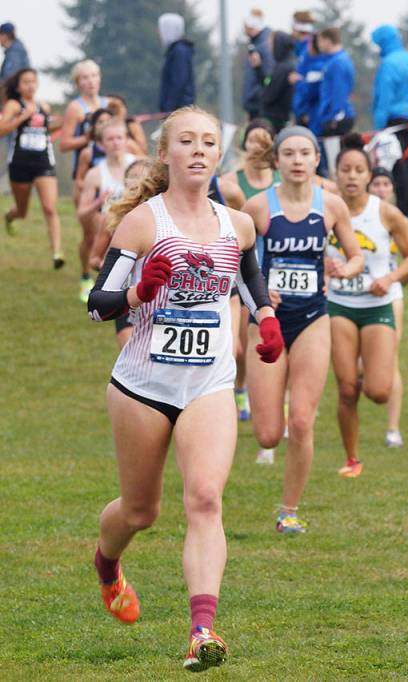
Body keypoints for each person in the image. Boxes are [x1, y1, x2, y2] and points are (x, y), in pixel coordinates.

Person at [85, 105, 283, 672]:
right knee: (141, 511)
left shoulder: (236, 225)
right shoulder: (142, 224)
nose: (198, 149)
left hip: (210, 385)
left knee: (204, 498)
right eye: (187, 141)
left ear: (218, 154)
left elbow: (250, 286)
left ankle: (202, 631)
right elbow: (96, 309)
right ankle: (106, 563)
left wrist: (267, 321)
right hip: (142, 386)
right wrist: (135, 295)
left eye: (208, 142)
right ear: (166, 154)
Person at [241, 125, 363, 532]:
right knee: (267, 435)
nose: (296, 161)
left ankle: (289, 511)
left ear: (315, 160)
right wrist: (259, 293)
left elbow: (356, 254)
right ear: (277, 161)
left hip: (314, 318)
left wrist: (344, 267)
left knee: (304, 421)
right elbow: (237, 262)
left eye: (304, 153)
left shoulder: (331, 206)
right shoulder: (257, 207)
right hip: (268, 322)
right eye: (288, 154)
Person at [327, 135, 408, 477]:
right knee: (347, 388)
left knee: (378, 391)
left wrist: (392, 279)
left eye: (358, 170)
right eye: (345, 170)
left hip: (376, 304)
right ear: (336, 174)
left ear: (369, 175)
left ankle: (369, 365)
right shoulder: (324, 209)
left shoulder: (386, 214)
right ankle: (352, 459)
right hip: (338, 305)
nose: (351, 176)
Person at [220, 120, 281, 425]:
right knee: (241, 343)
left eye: (263, 140)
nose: (258, 146)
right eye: (252, 141)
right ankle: (240, 386)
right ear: (244, 145)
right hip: (241, 263)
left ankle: (275, 397)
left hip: (279, 262)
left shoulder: (284, 180)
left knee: (277, 333)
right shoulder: (231, 180)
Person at [89, 157, 154, 347]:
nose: (138, 182)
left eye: (144, 177)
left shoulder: (165, 216)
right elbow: (94, 258)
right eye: (133, 177)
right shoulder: (112, 215)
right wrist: (106, 266)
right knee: (132, 354)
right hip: (125, 294)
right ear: (124, 183)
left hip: (159, 296)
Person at [1, 68, 62, 267]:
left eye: (33, 81)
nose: (30, 85)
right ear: (18, 86)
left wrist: (62, 123)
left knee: (50, 207)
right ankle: (10, 216)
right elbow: (2, 130)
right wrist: (22, 116)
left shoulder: (43, 106)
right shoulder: (13, 105)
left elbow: (46, 126)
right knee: (22, 211)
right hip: (20, 163)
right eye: (26, 82)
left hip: (43, 162)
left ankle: (57, 254)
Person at [59, 59, 110, 302]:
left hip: (109, 177)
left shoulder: (108, 105)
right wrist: (89, 137)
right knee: (90, 235)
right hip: (84, 177)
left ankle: (108, 277)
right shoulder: (75, 108)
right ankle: (84, 276)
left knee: (109, 231)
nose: (90, 81)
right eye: (85, 78)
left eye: (94, 76)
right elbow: (65, 143)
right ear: (78, 83)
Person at [369, 167, 407, 447]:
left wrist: (396, 278)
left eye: (385, 184)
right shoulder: (353, 216)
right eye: (376, 184)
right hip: (351, 294)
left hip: (390, 293)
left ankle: (393, 428)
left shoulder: (397, 219)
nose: (381, 189)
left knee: (390, 358)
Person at [370, 24, 408, 219]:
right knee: (406, 163)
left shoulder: (388, 64)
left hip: (391, 119)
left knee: (395, 165)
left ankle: (400, 212)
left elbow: (384, 97)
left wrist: (379, 127)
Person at [78, 119, 136, 273]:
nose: (115, 143)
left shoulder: (139, 166)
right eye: (110, 139)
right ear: (101, 144)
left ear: (126, 140)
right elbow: (81, 213)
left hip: (137, 229)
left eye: (119, 138)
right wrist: (98, 201)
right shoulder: (95, 174)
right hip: (107, 232)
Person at [311, 28, 356, 146]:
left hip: (336, 119)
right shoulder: (334, 60)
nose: (318, 45)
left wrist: (335, 117)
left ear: (328, 41)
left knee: (334, 159)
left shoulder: (338, 62)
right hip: (331, 116)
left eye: (320, 41)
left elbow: (339, 91)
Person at [158, 13, 195, 113]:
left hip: (178, 109)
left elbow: (179, 81)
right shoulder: (176, 50)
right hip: (176, 108)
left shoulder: (179, 51)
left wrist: (169, 109)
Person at [260, 31, 296, 133]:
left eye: (271, 44)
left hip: (277, 120)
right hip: (279, 118)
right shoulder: (281, 64)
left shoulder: (284, 67)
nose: (269, 48)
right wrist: (258, 69)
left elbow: (269, 95)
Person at [241, 9, 273, 121]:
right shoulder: (255, 45)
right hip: (254, 103)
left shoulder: (263, 47)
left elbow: (267, 78)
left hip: (258, 104)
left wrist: (254, 99)